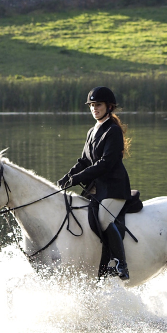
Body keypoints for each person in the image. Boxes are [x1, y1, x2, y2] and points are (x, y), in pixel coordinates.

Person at [59, 86, 132, 280]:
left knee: (103, 219)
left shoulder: (113, 131)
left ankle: (120, 264)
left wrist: (79, 178)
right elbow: (84, 160)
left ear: (109, 107)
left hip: (114, 188)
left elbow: (105, 164)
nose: (94, 108)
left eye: (97, 105)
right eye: (91, 105)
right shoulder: (93, 131)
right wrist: (68, 176)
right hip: (97, 188)